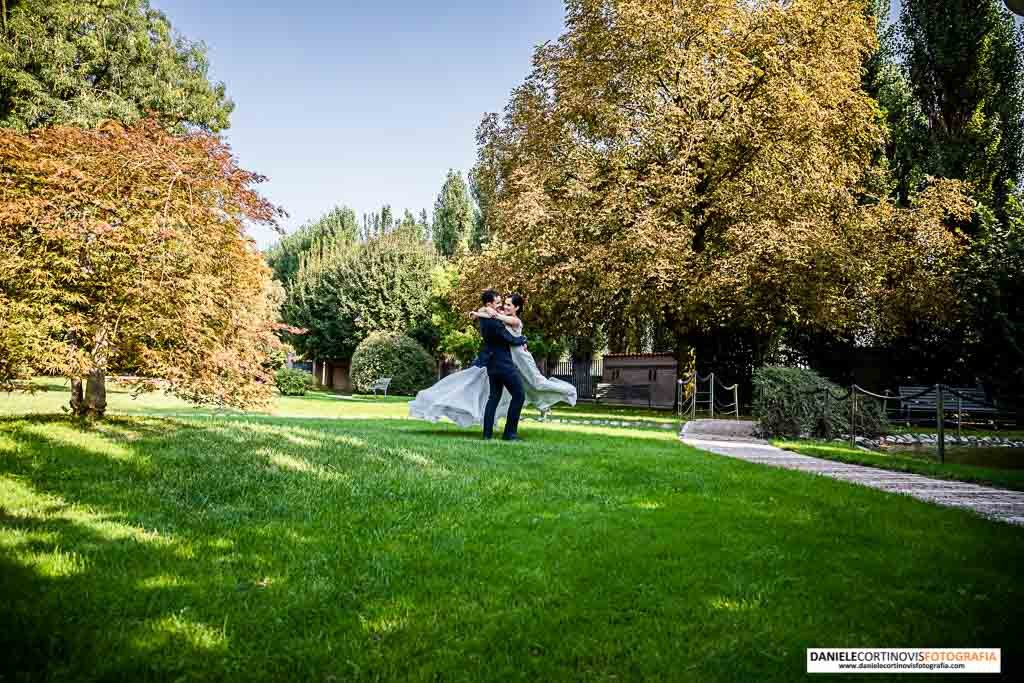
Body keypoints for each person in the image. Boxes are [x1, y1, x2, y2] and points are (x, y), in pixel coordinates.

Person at [470, 293, 577, 418]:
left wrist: (484, 312)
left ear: (517, 308)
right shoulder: (502, 316)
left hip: (522, 357)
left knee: (538, 383)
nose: (505, 306)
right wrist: (481, 311)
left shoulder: (515, 320)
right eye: (505, 304)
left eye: (509, 305)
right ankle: (542, 405)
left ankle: (569, 391)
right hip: (510, 359)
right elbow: (490, 314)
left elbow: (496, 316)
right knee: (523, 387)